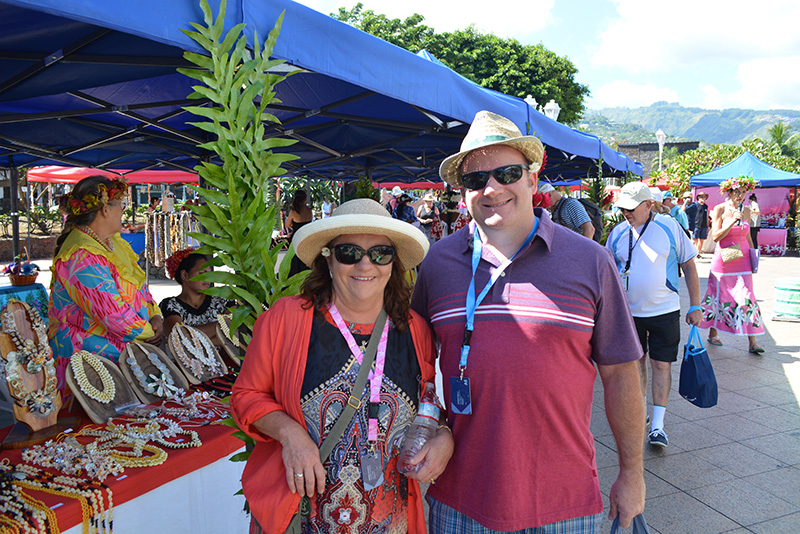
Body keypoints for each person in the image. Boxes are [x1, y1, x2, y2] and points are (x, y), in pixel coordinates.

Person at [411, 111, 645, 532]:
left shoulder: (591, 262)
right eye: (476, 179)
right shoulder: (437, 264)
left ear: (532, 181)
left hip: (565, 503)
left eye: (507, 173)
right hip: (460, 500)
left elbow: (622, 374)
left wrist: (632, 472)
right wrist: (438, 426)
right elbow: (414, 368)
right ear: (463, 193)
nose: (492, 188)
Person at [230, 199, 454, 534]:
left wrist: (444, 437)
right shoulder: (286, 320)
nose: (365, 265)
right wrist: (290, 434)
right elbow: (246, 396)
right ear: (329, 260)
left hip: (390, 521)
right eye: (349, 252)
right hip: (300, 518)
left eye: (380, 253)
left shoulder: (415, 330)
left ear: (393, 263)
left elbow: (428, 403)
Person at [606, 182, 702, 449]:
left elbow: (690, 265)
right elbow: (608, 273)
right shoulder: (617, 232)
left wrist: (695, 304)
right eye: (622, 207)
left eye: (631, 208)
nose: (626, 212)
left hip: (664, 311)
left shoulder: (669, 226)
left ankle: (658, 426)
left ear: (648, 205)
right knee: (636, 365)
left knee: (661, 365)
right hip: (629, 314)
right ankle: (641, 412)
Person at [48, 175, 163, 386]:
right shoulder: (81, 255)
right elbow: (113, 314)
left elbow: (140, 286)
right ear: (105, 209)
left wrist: (156, 315)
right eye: (121, 205)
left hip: (122, 354)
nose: (123, 211)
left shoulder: (112, 242)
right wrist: (150, 334)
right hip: (88, 363)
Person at [699, 177, 765, 353]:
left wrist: (753, 257)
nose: (740, 196)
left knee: (747, 296)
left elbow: (749, 237)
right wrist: (731, 221)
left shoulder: (748, 211)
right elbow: (715, 237)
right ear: (729, 192)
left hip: (742, 258)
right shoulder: (720, 209)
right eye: (737, 192)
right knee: (720, 295)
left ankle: (752, 341)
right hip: (724, 260)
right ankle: (713, 333)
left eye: (744, 192)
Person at [160, 248, 235, 346]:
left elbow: (236, 332)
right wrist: (223, 324)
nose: (208, 278)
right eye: (202, 273)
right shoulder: (170, 305)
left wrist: (194, 340)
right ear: (184, 275)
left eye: (209, 273)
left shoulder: (223, 301)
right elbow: (179, 337)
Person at [285, 189, 314, 277]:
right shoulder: (309, 211)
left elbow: (287, 225)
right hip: (306, 237)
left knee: (294, 260)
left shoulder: (293, 212)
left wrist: (292, 226)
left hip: (296, 237)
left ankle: (294, 278)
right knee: (305, 258)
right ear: (305, 199)